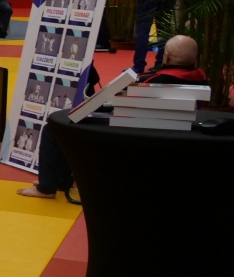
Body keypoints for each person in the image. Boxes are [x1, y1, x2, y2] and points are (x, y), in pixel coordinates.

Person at [18, 35, 205, 201]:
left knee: (54, 126)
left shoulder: (154, 81)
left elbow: (118, 102)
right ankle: (61, 181)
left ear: (167, 56)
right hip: (166, 129)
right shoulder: (200, 79)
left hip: (132, 130)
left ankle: (46, 187)